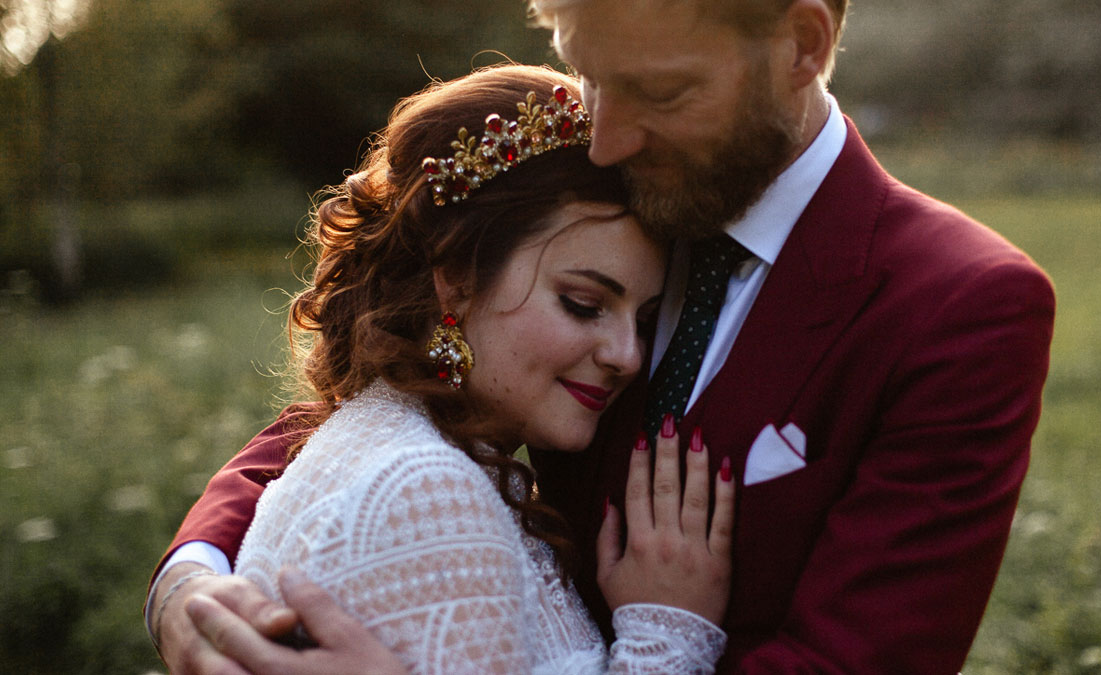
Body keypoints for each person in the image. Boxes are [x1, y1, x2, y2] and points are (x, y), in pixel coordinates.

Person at [149, 1, 1056, 672]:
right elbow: (400, 403)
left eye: (658, 91)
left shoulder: (959, 305)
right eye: (592, 80)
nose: (609, 134)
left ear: (803, 44)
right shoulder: (606, 187)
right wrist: (195, 579)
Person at [148, 63, 740, 673]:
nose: (628, 356)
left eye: (643, 321)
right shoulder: (427, 490)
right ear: (455, 279)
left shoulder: (396, 437)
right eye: (583, 304)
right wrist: (667, 633)